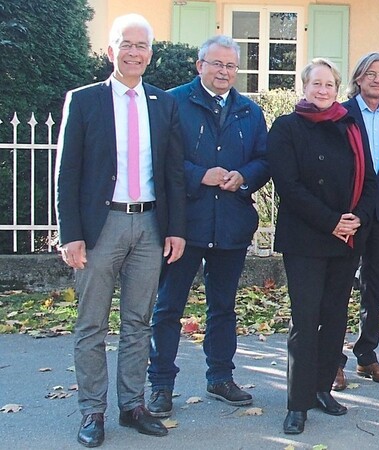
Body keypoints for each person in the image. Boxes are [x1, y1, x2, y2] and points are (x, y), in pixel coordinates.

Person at [55, 13, 186, 447]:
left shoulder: (163, 103)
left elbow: (172, 172)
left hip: (150, 225)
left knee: (139, 321)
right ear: (111, 51)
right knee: (91, 324)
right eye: (125, 44)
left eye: (142, 46)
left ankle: (133, 406)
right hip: (100, 226)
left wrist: (176, 229)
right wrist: (69, 232)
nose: (134, 52)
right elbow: (67, 171)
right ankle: (92, 412)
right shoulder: (85, 100)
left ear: (151, 54)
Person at [147, 35, 270, 417]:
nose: (224, 72)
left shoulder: (249, 111)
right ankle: (161, 384)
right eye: (216, 64)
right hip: (183, 224)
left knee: (223, 307)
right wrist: (200, 175)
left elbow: (265, 160)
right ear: (199, 65)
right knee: (169, 307)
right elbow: (159, 159)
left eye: (231, 66)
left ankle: (220, 377)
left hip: (231, 223)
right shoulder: (173, 102)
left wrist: (243, 176)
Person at [267, 58, 376, 434]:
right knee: (305, 319)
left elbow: (371, 180)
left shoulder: (350, 125)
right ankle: (297, 403)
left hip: (346, 239)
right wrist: (331, 220)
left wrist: (357, 217)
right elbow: (288, 185)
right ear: (304, 87)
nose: (323, 91)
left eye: (329, 85)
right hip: (306, 240)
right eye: (316, 84)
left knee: (334, 318)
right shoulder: (286, 127)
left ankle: (322, 389)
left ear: (336, 88)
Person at [333, 52, 379, 391]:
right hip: (349, 212)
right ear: (358, 78)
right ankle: (333, 360)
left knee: (374, 285)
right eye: (371, 74)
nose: (377, 80)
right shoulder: (342, 114)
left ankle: (366, 354)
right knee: (340, 285)